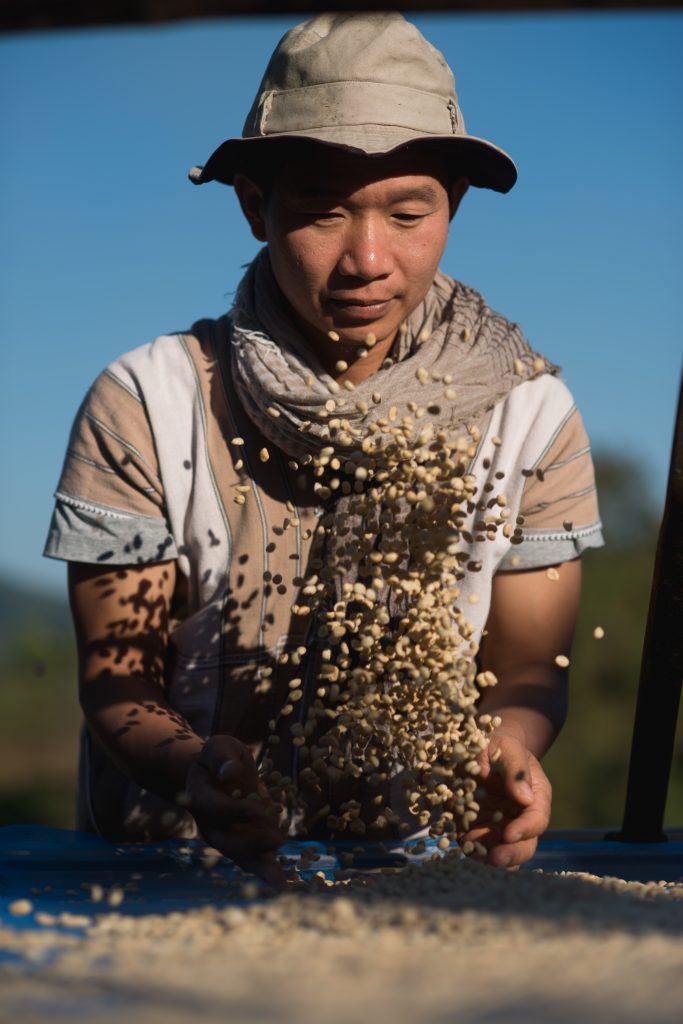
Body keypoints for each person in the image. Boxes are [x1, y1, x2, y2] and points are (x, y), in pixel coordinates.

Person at [44, 12, 603, 887]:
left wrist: (510, 748)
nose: (367, 259)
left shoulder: (526, 413)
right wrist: (192, 767)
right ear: (255, 207)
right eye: (320, 213)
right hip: (174, 873)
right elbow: (120, 683)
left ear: (453, 204)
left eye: (409, 212)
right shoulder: (148, 403)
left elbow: (530, 665)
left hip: (421, 875)